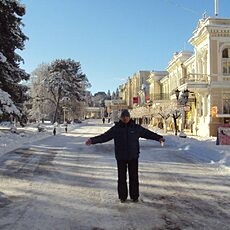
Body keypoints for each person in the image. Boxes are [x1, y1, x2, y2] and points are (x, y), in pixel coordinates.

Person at [85, 109, 165, 203]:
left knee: (134, 177)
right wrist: (92, 140)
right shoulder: (116, 129)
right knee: (122, 178)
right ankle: (122, 196)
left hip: (133, 156)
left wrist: (159, 137)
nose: (125, 118)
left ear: (129, 117)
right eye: (123, 117)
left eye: (126, 117)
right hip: (121, 157)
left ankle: (134, 196)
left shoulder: (136, 128)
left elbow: (148, 134)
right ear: (121, 118)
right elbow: (104, 137)